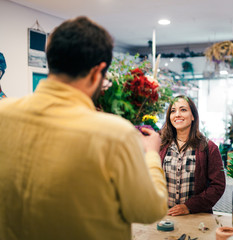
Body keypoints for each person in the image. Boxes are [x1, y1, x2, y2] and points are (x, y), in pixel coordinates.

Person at [0, 16, 168, 240]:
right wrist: (151, 155)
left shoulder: (4, 114)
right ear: (97, 71)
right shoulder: (114, 134)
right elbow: (149, 211)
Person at [159, 95, 225, 216]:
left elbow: (218, 186)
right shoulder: (160, 145)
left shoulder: (208, 148)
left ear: (193, 116)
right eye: (173, 111)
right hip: (164, 216)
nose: (177, 114)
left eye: (183, 110)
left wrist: (189, 207)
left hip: (196, 216)